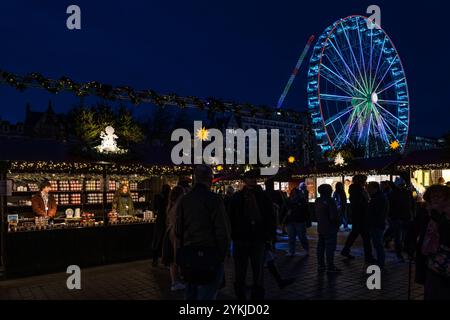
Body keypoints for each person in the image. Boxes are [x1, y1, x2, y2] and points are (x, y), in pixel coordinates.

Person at [176, 165, 231, 300]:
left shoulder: (184, 199)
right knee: (207, 294)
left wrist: (180, 253)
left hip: (189, 252)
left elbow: (178, 229)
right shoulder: (214, 199)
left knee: (190, 293)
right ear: (210, 179)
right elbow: (222, 230)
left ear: (195, 179)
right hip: (209, 253)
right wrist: (222, 254)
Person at [227, 170, 277, 300]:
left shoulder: (240, 197)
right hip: (250, 238)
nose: (252, 180)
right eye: (251, 178)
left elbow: (270, 217)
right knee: (253, 269)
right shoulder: (242, 197)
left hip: (248, 238)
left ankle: (246, 293)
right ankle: (252, 293)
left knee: (246, 269)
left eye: (253, 178)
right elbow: (270, 217)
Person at [414, 185, 450, 300]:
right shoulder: (425, 213)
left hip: (447, 259)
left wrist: (438, 217)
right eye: (432, 197)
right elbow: (415, 229)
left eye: (439, 197)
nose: (435, 199)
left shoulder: (446, 214)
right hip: (431, 261)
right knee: (432, 291)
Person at [341, 175, 375, 263]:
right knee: (366, 238)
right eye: (364, 180)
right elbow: (362, 203)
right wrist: (367, 199)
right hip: (361, 216)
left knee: (355, 234)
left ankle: (346, 250)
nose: (366, 182)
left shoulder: (354, 189)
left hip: (357, 216)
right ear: (361, 181)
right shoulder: (359, 190)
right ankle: (368, 257)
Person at [162, 185, 186, 291]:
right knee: (175, 258)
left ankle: (174, 282)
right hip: (175, 235)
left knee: (172, 260)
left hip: (170, 234)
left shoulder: (170, 205)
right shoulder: (179, 207)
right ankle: (176, 282)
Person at [315, 184, 341, 273]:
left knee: (320, 247)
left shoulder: (318, 200)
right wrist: (337, 224)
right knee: (330, 248)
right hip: (330, 228)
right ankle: (330, 266)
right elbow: (333, 216)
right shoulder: (330, 201)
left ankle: (321, 265)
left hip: (321, 227)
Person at [387, 178, 414, 262]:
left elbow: (390, 206)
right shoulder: (407, 193)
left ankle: (400, 254)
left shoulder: (393, 193)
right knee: (402, 236)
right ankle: (403, 253)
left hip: (398, 217)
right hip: (403, 217)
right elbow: (411, 205)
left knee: (399, 236)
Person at [367, 182, 389, 268]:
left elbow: (378, 213)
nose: (368, 190)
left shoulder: (378, 198)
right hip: (377, 223)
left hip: (376, 224)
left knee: (378, 243)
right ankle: (380, 261)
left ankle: (381, 262)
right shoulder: (379, 197)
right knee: (377, 243)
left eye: (369, 188)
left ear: (375, 188)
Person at [285, 184, 310, 257]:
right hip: (292, 220)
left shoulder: (301, 201)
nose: (293, 194)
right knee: (291, 237)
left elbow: (305, 211)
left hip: (299, 220)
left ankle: (305, 250)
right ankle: (292, 251)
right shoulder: (289, 200)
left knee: (301, 236)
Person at [152, 184, 171, 267]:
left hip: (160, 220)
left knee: (157, 240)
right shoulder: (169, 197)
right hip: (166, 220)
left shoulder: (157, 196)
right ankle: (165, 259)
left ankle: (155, 259)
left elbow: (155, 207)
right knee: (165, 240)